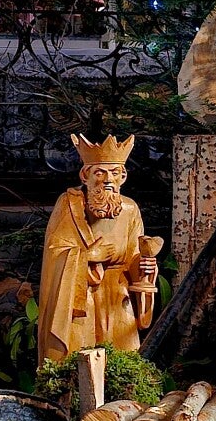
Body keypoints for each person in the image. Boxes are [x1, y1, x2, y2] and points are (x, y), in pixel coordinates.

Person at [37, 135, 158, 367]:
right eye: (100, 173)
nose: (108, 180)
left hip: (118, 298)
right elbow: (54, 253)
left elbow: (134, 254)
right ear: (85, 176)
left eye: (114, 173)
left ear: (123, 177)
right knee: (78, 362)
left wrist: (144, 267)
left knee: (123, 362)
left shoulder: (130, 209)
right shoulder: (69, 205)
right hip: (81, 299)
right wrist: (88, 256)